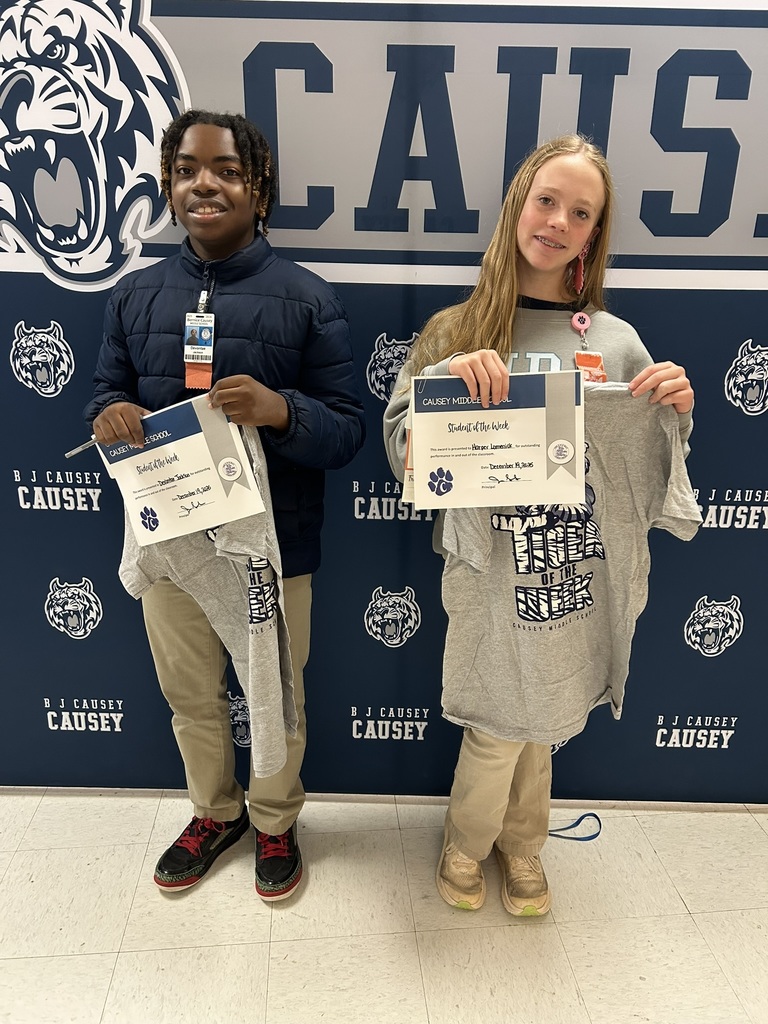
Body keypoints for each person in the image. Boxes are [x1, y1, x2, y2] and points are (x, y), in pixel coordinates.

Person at [383, 134, 694, 916]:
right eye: (547, 200)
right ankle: (470, 842)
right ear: (518, 204)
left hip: (572, 567)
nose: (558, 221)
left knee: (547, 715)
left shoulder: (615, 341)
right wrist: (443, 392)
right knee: (497, 716)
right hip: (490, 569)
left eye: (580, 212)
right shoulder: (457, 331)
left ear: (594, 235)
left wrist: (674, 413)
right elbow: (402, 454)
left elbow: (650, 459)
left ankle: (523, 847)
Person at [85, 109, 365, 899]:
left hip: (274, 548)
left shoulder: (307, 299)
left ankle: (275, 820)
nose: (204, 182)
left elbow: (346, 431)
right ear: (169, 187)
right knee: (189, 695)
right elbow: (106, 392)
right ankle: (216, 813)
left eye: (227, 170)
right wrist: (108, 416)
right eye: (185, 169)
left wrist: (282, 412)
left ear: (260, 190)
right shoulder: (135, 297)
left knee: (276, 692)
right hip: (171, 542)